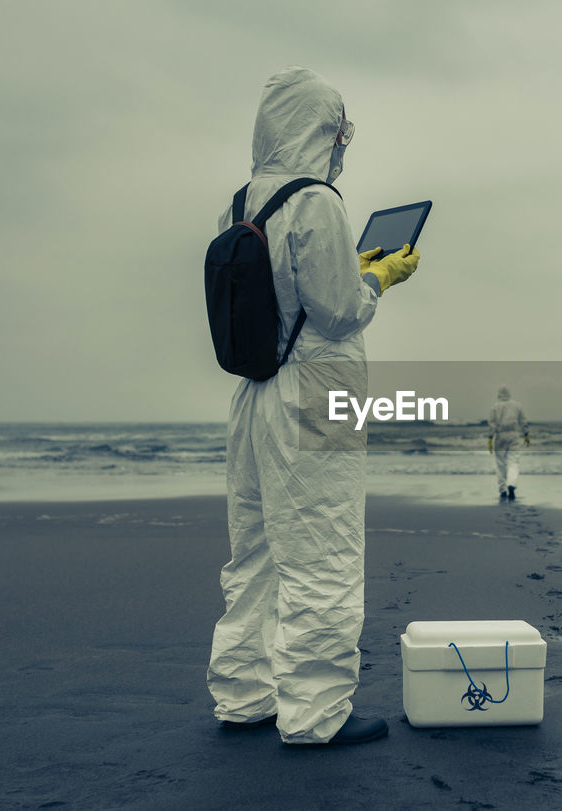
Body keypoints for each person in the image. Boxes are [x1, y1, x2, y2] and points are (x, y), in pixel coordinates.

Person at [207, 66, 420, 746]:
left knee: (256, 553)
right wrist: (378, 275)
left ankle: (243, 693)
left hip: (253, 395)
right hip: (313, 397)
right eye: (338, 132)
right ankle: (317, 710)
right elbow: (338, 310)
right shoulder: (319, 202)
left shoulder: (239, 202)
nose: (340, 145)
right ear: (319, 130)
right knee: (322, 549)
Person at [487, 385, 528, 500]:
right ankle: (511, 484)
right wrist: (526, 434)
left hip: (500, 436)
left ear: (498, 394)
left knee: (500, 464)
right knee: (513, 462)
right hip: (514, 435)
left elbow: (492, 424)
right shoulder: (517, 406)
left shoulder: (494, 407)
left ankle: (502, 490)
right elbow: (523, 421)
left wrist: (490, 438)